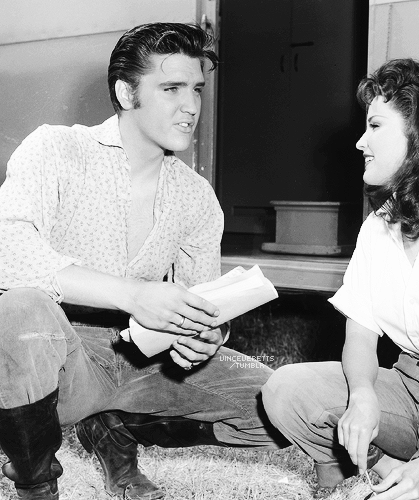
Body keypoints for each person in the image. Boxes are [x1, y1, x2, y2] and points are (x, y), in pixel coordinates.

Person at [0, 23, 286, 500]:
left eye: (196, 89)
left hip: (140, 357)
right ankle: (35, 478)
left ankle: (114, 427)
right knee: (22, 309)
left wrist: (208, 334)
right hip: (57, 359)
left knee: (287, 407)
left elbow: (202, 295)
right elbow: (5, 247)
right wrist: (133, 295)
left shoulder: (196, 197)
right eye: (170, 88)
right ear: (126, 92)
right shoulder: (57, 148)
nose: (191, 106)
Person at [262, 58, 419, 499]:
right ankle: (384, 466)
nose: (360, 142)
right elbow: (360, 336)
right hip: (410, 385)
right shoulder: (380, 225)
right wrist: (363, 395)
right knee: (284, 392)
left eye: (375, 126)